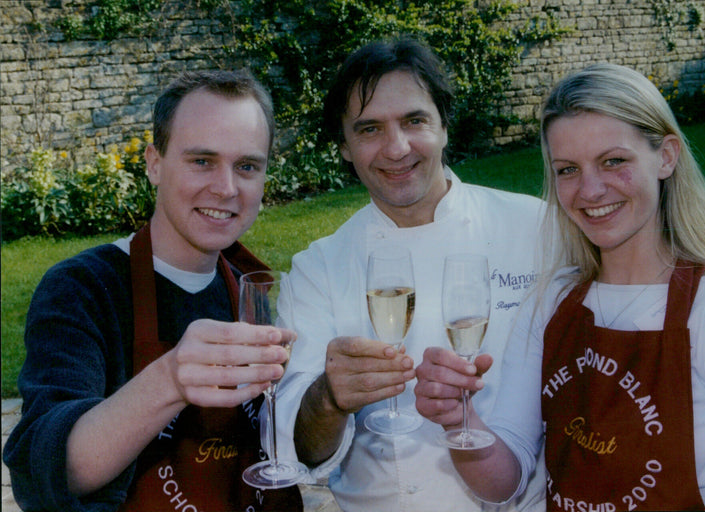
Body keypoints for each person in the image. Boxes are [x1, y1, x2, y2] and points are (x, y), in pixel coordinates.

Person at [414, 62, 705, 511]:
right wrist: (460, 421)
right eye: (568, 170)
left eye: (613, 161)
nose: (590, 190)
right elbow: (505, 483)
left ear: (666, 156)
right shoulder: (551, 303)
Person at [2, 70, 304, 511]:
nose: (226, 188)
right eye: (201, 160)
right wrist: (169, 379)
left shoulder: (246, 285)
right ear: (153, 163)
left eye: (247, 166)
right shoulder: (84, 288)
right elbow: (48, 472)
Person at [275, 37, 549, 511]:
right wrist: (328, 398)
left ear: (444, 125)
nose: (396, 148)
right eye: (369, 129)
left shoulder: (537, 229)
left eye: (414, 120)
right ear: (343, 146)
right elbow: (301, 451)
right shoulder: (318, 268)